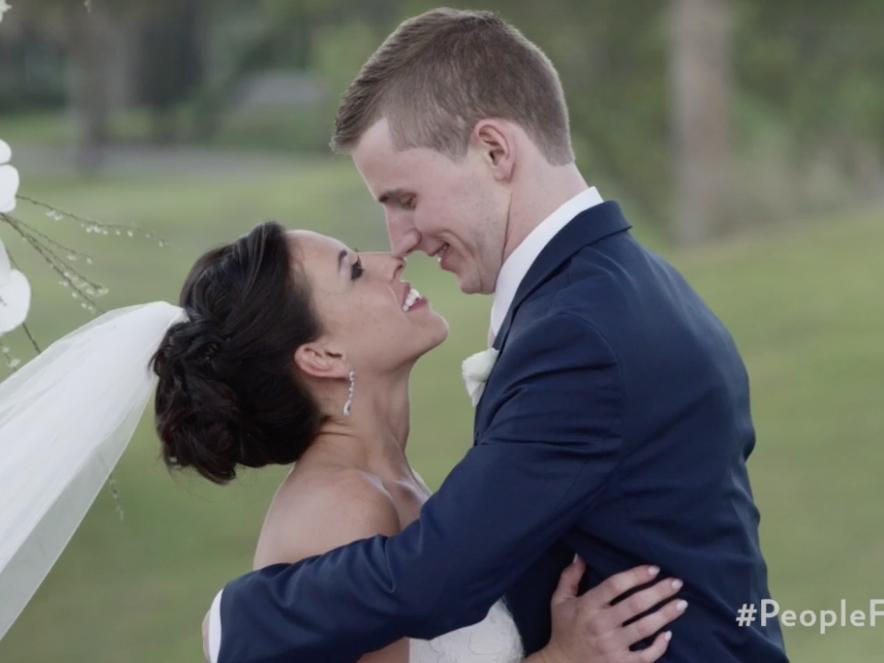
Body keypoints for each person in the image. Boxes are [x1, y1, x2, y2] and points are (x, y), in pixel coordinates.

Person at [205, 8, 787, 662]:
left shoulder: (576, 333)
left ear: (494, 151)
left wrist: (241, 616)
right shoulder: (633, 285)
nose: (400, 242)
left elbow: (436, 576)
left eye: (404, 199)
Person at [151, 221, 684, 663]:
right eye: (354, 271)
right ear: (323, 357)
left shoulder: (387, 480)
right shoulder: (342, 508)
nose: (392, 260)